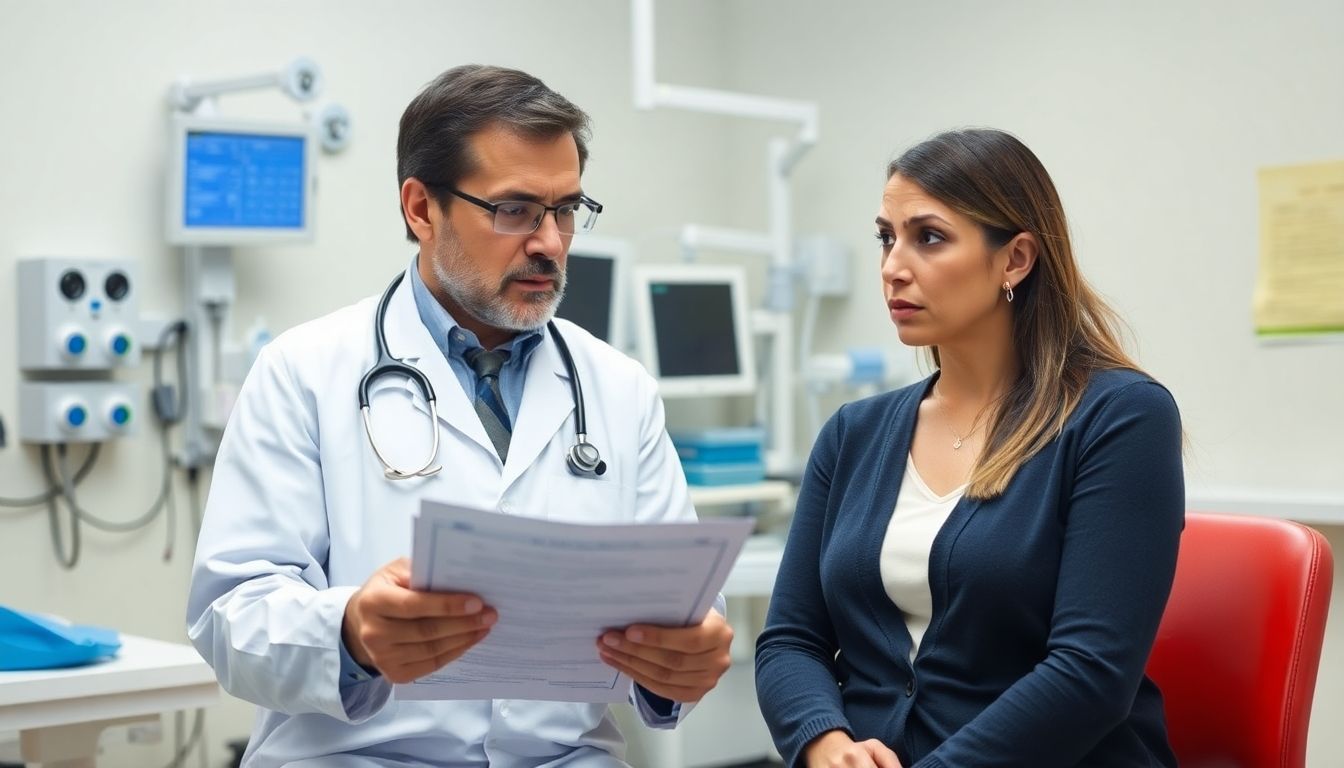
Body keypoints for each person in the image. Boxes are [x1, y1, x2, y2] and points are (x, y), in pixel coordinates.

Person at [187, 64, 733, 767]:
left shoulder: (618, 390)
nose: (552, 243)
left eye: (566, 209)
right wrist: (350, 632)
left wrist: (684, 662)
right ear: (420, 209)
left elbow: (680, 616)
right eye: (514, 210)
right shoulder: (304, 371)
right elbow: (231, 615)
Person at [754, 129, 1184, 768]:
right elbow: (790, 640)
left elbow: (1090, 673)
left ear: (1015, 260)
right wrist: (824, 743)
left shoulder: (1119, 418)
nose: (893, 265)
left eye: (928, 237)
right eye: (886, 237)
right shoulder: (852, 433)